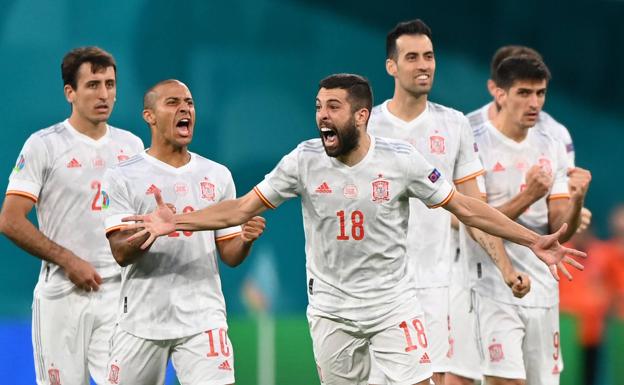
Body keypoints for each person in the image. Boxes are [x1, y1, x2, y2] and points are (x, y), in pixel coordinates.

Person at [124, 74, 585, 385]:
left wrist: (531, 239)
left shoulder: (401, 161)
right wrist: (175, 222)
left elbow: (467, 207)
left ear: (361, 116)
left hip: (393, 306)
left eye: (334, 107)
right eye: (318, 106)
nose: (322, 115)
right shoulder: (303, 161)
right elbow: (239, 210)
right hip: (332, 311)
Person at [366, 19, 530, 385]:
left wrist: (505, 269)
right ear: (391, 66)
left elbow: (475, 212)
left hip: (437, 286)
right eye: (412, 57)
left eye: (429, 56)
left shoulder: (454, 125)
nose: (424, 64)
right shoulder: (368, 128)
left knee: (436, 378)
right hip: (377, 288)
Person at [102, 79, 265, 385]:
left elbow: (229, 255)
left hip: (203, 319)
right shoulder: (122, 175)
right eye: (173, 102)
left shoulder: (217, 176)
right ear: (149, 116)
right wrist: (151, 231)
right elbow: (121, 253)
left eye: (189, 102)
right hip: (142, 319)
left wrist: (244, 240)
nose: (185, 109)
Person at [0, 47, 144, 385]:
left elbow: (143, 219)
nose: (104, 94)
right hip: (61, 296)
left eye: (110, 84)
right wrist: (68, 260)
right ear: (70, 92)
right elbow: (10, 220)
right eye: (93, 84)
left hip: (117, 295)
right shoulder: (44, 145)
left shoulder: (133, 148)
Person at [467, 56, 591, 384]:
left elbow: (558, 230)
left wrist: (577, 200)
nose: (534, 102)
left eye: (540, 93)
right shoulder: (474, 140)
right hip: (492, 285)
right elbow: (471, 219)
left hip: (544, 287)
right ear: (500, 94)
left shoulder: (551, 143)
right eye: (524, 93)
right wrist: (528, 196)